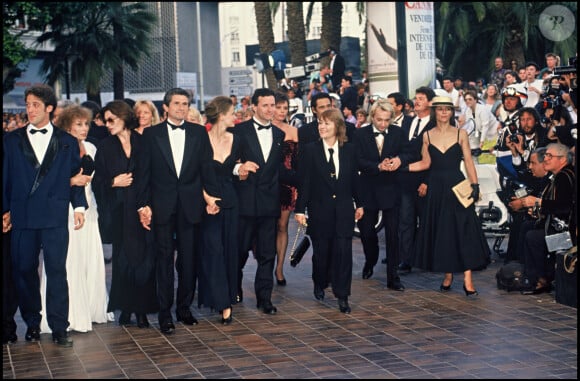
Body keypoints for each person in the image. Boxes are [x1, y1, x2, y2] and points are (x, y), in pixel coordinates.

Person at [3, 84, 88, 347]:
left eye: (35, 105)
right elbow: (4, 178)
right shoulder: (11, 140)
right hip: (22, 216)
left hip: (54, 216)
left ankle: (59, 327)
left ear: (49, 108)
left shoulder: (67, 142)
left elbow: (76, 177)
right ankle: (31, 322)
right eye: (27, 105)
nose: (29, 109)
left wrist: (80, 207)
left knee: (56, 272)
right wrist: (5, 210)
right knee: (24, 271)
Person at [135, 88, 220, 334]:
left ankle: (184, 308)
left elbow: (207, 168)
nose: (182, 108)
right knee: (163, 261)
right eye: (177, 103)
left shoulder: (197, 133)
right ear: (166, 107)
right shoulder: (150, 135)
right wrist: (143, 205)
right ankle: (164, 313)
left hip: (191, 206)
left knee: (188, 261)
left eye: (185, 104)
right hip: (161, 207)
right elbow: (143, 175)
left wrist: (213, 198)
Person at [404, 96, 490, 297]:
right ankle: (448, 275)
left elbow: (468, 161)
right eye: (440, 109)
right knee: (443, 231)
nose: (444, 113)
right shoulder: (427, 136)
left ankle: (468, 279)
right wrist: (401, 167)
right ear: (435, 111)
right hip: (436, 188)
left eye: (448, 109)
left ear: (452, 112)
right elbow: (425, 164)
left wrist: (475, 185)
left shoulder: (461, 133)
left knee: (463, 230)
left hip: (457, 186)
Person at [40, 105, 115, 333]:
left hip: (90, 210)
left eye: (86, 124)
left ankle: (92, 309)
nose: (84, 129)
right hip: (65, 211)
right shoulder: (56, 147)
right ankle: (68, 314)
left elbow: (98, 179)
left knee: (90, 261)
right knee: (67, 262)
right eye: (79, 124)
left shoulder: (91, 147)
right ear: (67, 126)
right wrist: (71, 182)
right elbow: (46, 184)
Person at [93, 100, 159, 329]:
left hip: (143, 210)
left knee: (145, 261)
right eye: (105, 120)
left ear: (124, 117)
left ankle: (141, 310)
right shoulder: (105, 146)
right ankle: (126, 308)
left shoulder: (144, 142)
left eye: (112, 120)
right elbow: (97, 182)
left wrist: (148, 206)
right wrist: (113, 182)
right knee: (124, 261)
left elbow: (152, 177)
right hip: (119, 212)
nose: (108, 124)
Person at [294, 108, 364, 313]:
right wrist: (300, 210)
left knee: (343, 253)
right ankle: (320, 281)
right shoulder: (310, 150)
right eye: (320, 123)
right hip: (319, 211)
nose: (322, 127)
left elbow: (354, 180)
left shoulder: (349, 149)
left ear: (338, 126)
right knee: (321, 254)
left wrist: (359, 204)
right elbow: (304, 182)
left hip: (343, 210)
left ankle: (343, 295)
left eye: (327, 123)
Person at [230, 88, 285, 315]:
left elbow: (278, 170)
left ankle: (265, 298)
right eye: (266, 105)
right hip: (244, 203)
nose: (270, 109)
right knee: (240, 251)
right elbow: (227, 162)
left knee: (267, 253)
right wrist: (238, 168)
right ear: (254, 106)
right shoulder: (238, 131)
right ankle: (234, 287)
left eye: (273, 105)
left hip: (269, 204)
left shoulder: (280, 135)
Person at [353, 99, 412, 290]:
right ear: (372, 117)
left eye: (387, 120)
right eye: (379, 120)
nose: (383, 124)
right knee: (367, 232)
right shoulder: (360, 134)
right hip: (368, 188)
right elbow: (356, 160)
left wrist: (398, 160)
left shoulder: (399, 133)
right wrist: (377, 166)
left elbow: (409, 153)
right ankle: (371, 260)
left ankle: (392, 277)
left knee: (393, 234)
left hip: (392, 188)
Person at [197, 96, 241, 325]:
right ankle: (222, 303)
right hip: (208, 204)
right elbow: (193, 174)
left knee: (229, 253)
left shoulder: (236, 138)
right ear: (222, 115)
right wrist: (207, 199)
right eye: (233, 112)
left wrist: (242, 168)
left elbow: (236, 167)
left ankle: (227, 297)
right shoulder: (200, 140)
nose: (236, 115)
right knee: (213, 253)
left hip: (231, 203)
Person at [517, 143, 575, 294]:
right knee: (528, 227)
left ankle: (540, 280)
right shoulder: (558, 176)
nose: (546, 159)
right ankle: (532, 274)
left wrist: (537, 202)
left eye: (550, 156)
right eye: (546, 155)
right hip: (560, 226)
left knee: (534, 237)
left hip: (568, 234)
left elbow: (564, 206)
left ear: (562, 160)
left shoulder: (564, 176)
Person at [397, 86, 436, 273]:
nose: (417, 101)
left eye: (421, 98)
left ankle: (428, 258)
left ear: (430, 102)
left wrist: (427, 181)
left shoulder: (435, 125)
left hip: (424, 180)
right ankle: (406, 259)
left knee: (426, 220)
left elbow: (436, 158)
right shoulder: (407, 122)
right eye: (416, 97)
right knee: (405, 220)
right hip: (405, 179)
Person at [272, 92, 300, 286]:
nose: (282, 111)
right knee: (265, 228)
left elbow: (298, 161)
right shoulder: (263, 129)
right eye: (278, 107)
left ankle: (279, 269)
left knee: (282, 226)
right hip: (265, 183)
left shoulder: (293, 131)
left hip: (287, 184)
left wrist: (298, 184)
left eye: (285, 108)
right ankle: (265, 264)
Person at [504, 147, 550, 263]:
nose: (530, 167)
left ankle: (519, 264)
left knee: (524, 224)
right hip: (538, 217)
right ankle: (514, 263)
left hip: (548, 222)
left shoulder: (554, 179)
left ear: (544, 163)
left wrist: (523, 204)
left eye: (533, 163)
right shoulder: (539, 179)